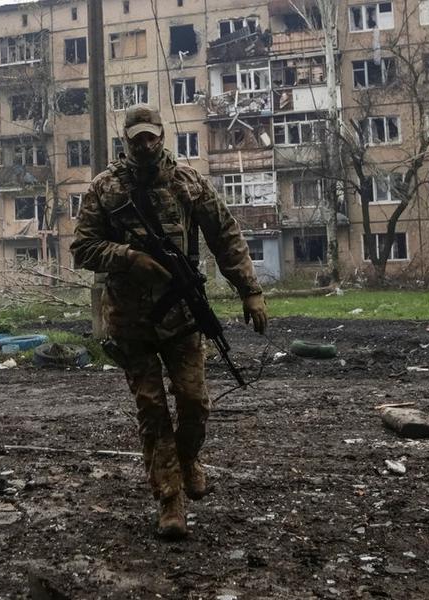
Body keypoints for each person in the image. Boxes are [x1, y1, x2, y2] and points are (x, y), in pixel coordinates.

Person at [71, 104, 268, 540]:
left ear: (162, 136)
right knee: (153, 410)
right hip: (130, 321)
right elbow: (82, 248)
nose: (145, 145)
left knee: (195, 402)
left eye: (152, 137)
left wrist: (250, 291)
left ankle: (188, 458)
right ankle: (170, 500)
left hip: (181, 315)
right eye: (137, 138)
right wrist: (128, 258)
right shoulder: (105, 189)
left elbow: (226, 236)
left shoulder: (188, 183)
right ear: (126, 140)